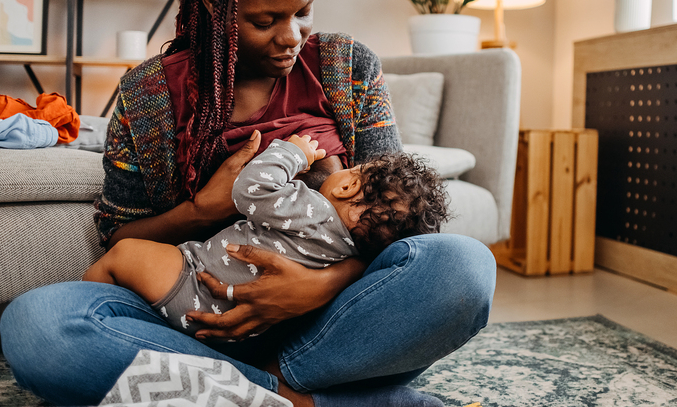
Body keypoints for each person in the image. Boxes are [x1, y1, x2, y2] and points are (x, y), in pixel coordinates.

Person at [0, 0, 496, 407]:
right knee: (38, 325)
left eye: (303, 13)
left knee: (463, 267)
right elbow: (119, 237)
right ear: (213, 3)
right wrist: (202, 209)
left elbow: (394, 218)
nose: (291, 36)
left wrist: (318, 286)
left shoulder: (346, 66)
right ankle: (296, 403)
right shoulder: (150, 93)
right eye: (265, 20)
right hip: (194, 318)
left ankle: (243, 391)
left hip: (327, 324)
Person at [82, 132, 450, 337]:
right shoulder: (345, 251)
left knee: (123, 255)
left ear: (346, 187)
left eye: (353, 169)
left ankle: (84, 305)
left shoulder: (313, 210)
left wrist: (294, 153)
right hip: (239, 325)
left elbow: (251, 189)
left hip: (194, 282)